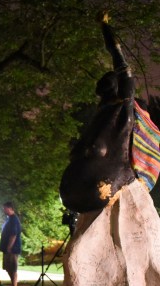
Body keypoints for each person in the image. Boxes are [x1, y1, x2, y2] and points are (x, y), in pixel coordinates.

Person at [60, 13, 143, 213]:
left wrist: (105, 27)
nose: (101, 83)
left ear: (116, 85)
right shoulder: (102, 111)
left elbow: (120, 62)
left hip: (109, 177)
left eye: (107, 79)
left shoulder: (123, 105)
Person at [0, 201, 22, 286]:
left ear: (10, 208)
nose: (4, 210)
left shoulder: (14, 220)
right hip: (7, 248)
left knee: (13, 267)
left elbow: (14, 234)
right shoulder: (9, 219)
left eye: (5, 208)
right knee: (8, 267)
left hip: (13, 248)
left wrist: (9, 247)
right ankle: (13, 285)